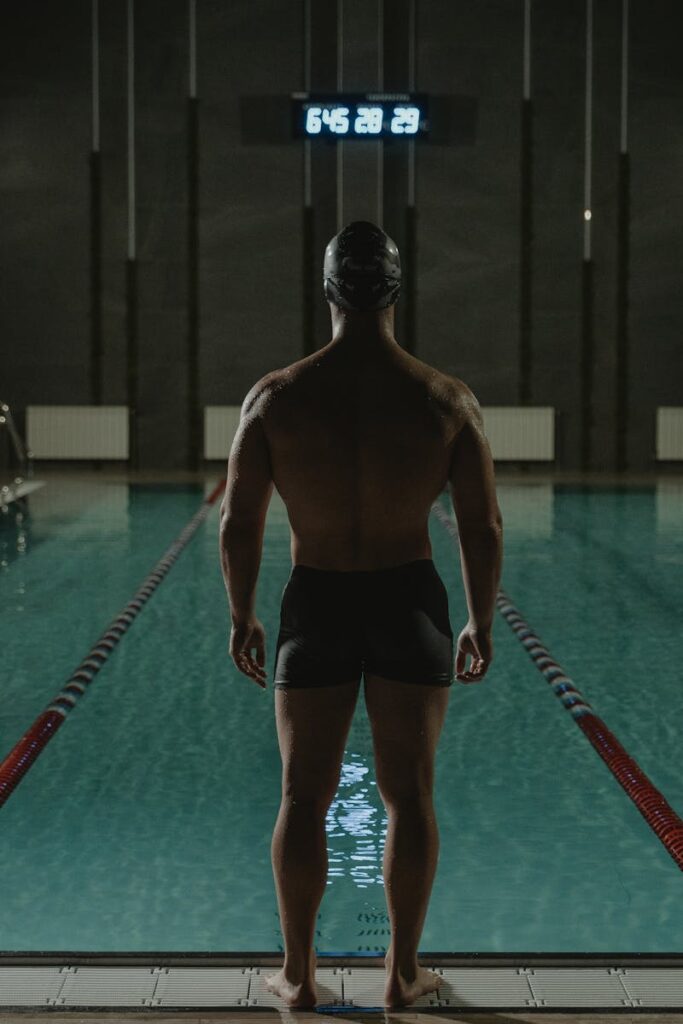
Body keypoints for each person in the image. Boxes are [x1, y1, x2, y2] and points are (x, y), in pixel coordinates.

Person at [218, 220, 504, 1009]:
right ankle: (402, 976)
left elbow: (238, 523)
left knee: (301, 797)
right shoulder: (443, 399)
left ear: (327, 289)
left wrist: (241, 612)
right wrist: (480, 617)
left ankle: (300, 978)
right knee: (408, 796)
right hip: (408, 599)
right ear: (396, 289)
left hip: (316, 602)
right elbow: (482, 526)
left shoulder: (276, 396)